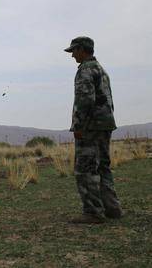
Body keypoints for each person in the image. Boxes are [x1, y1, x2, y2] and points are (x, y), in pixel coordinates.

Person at [65, 36, 122, 224]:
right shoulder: (101, 70)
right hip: (104, 125)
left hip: (90, 127)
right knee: (103, 166)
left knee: (86, 168)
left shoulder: (85, 70)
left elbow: (85, 101)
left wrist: (79, 126)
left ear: (83, 49)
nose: (72, 55)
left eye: (74, 50)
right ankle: (112, 208)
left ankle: (92, 212)